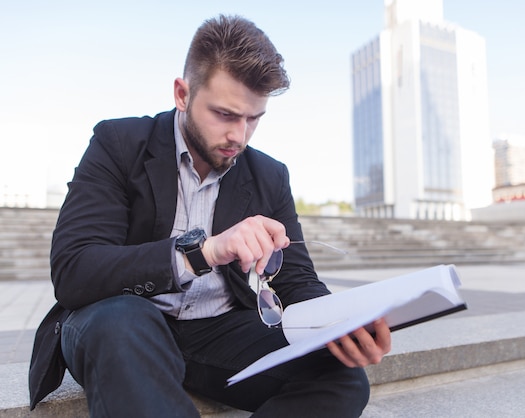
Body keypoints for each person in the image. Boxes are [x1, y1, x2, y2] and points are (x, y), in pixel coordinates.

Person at [28, 14, 391, 417]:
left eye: (254, 119)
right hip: (121, 323)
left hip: (216, 330)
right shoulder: (118, 144)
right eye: (225, 114)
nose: (240, 135)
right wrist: (204, 251)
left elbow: (296, 278)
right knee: (122, 326)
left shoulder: (269, 175)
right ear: (182, 94)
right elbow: (75, 270)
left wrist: (339, 325)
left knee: (341, 375)